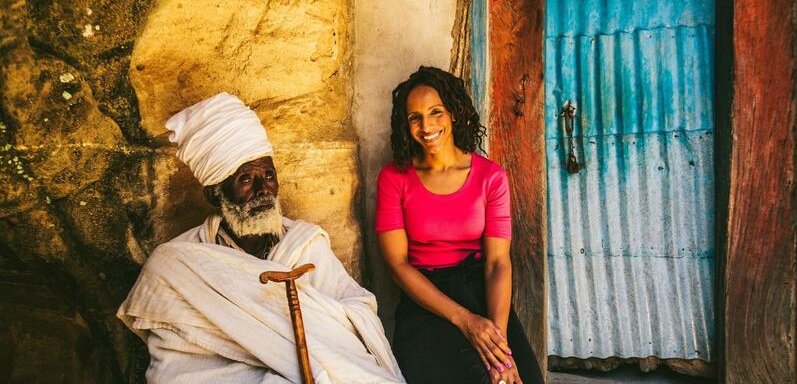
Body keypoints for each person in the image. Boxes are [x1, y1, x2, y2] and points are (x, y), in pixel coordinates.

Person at [118, 92, 404, 384]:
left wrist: (318, 328)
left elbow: (358, 312)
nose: (263, 189)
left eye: (268, 175)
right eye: (245, 179)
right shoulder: (177, 267)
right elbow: (175, 367)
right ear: (214, 194)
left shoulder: (304, 244)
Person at [375, 67, 544, 384]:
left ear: (454, 113)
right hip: (425, 300)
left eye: (435, 112)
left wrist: (499, 349)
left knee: (518, 380)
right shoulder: (393, 178)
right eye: (415, 117)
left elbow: (497, 263)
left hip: (479, 289)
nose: (426, 126)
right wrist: (466, 321)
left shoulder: (490, 177)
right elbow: (397, 265)